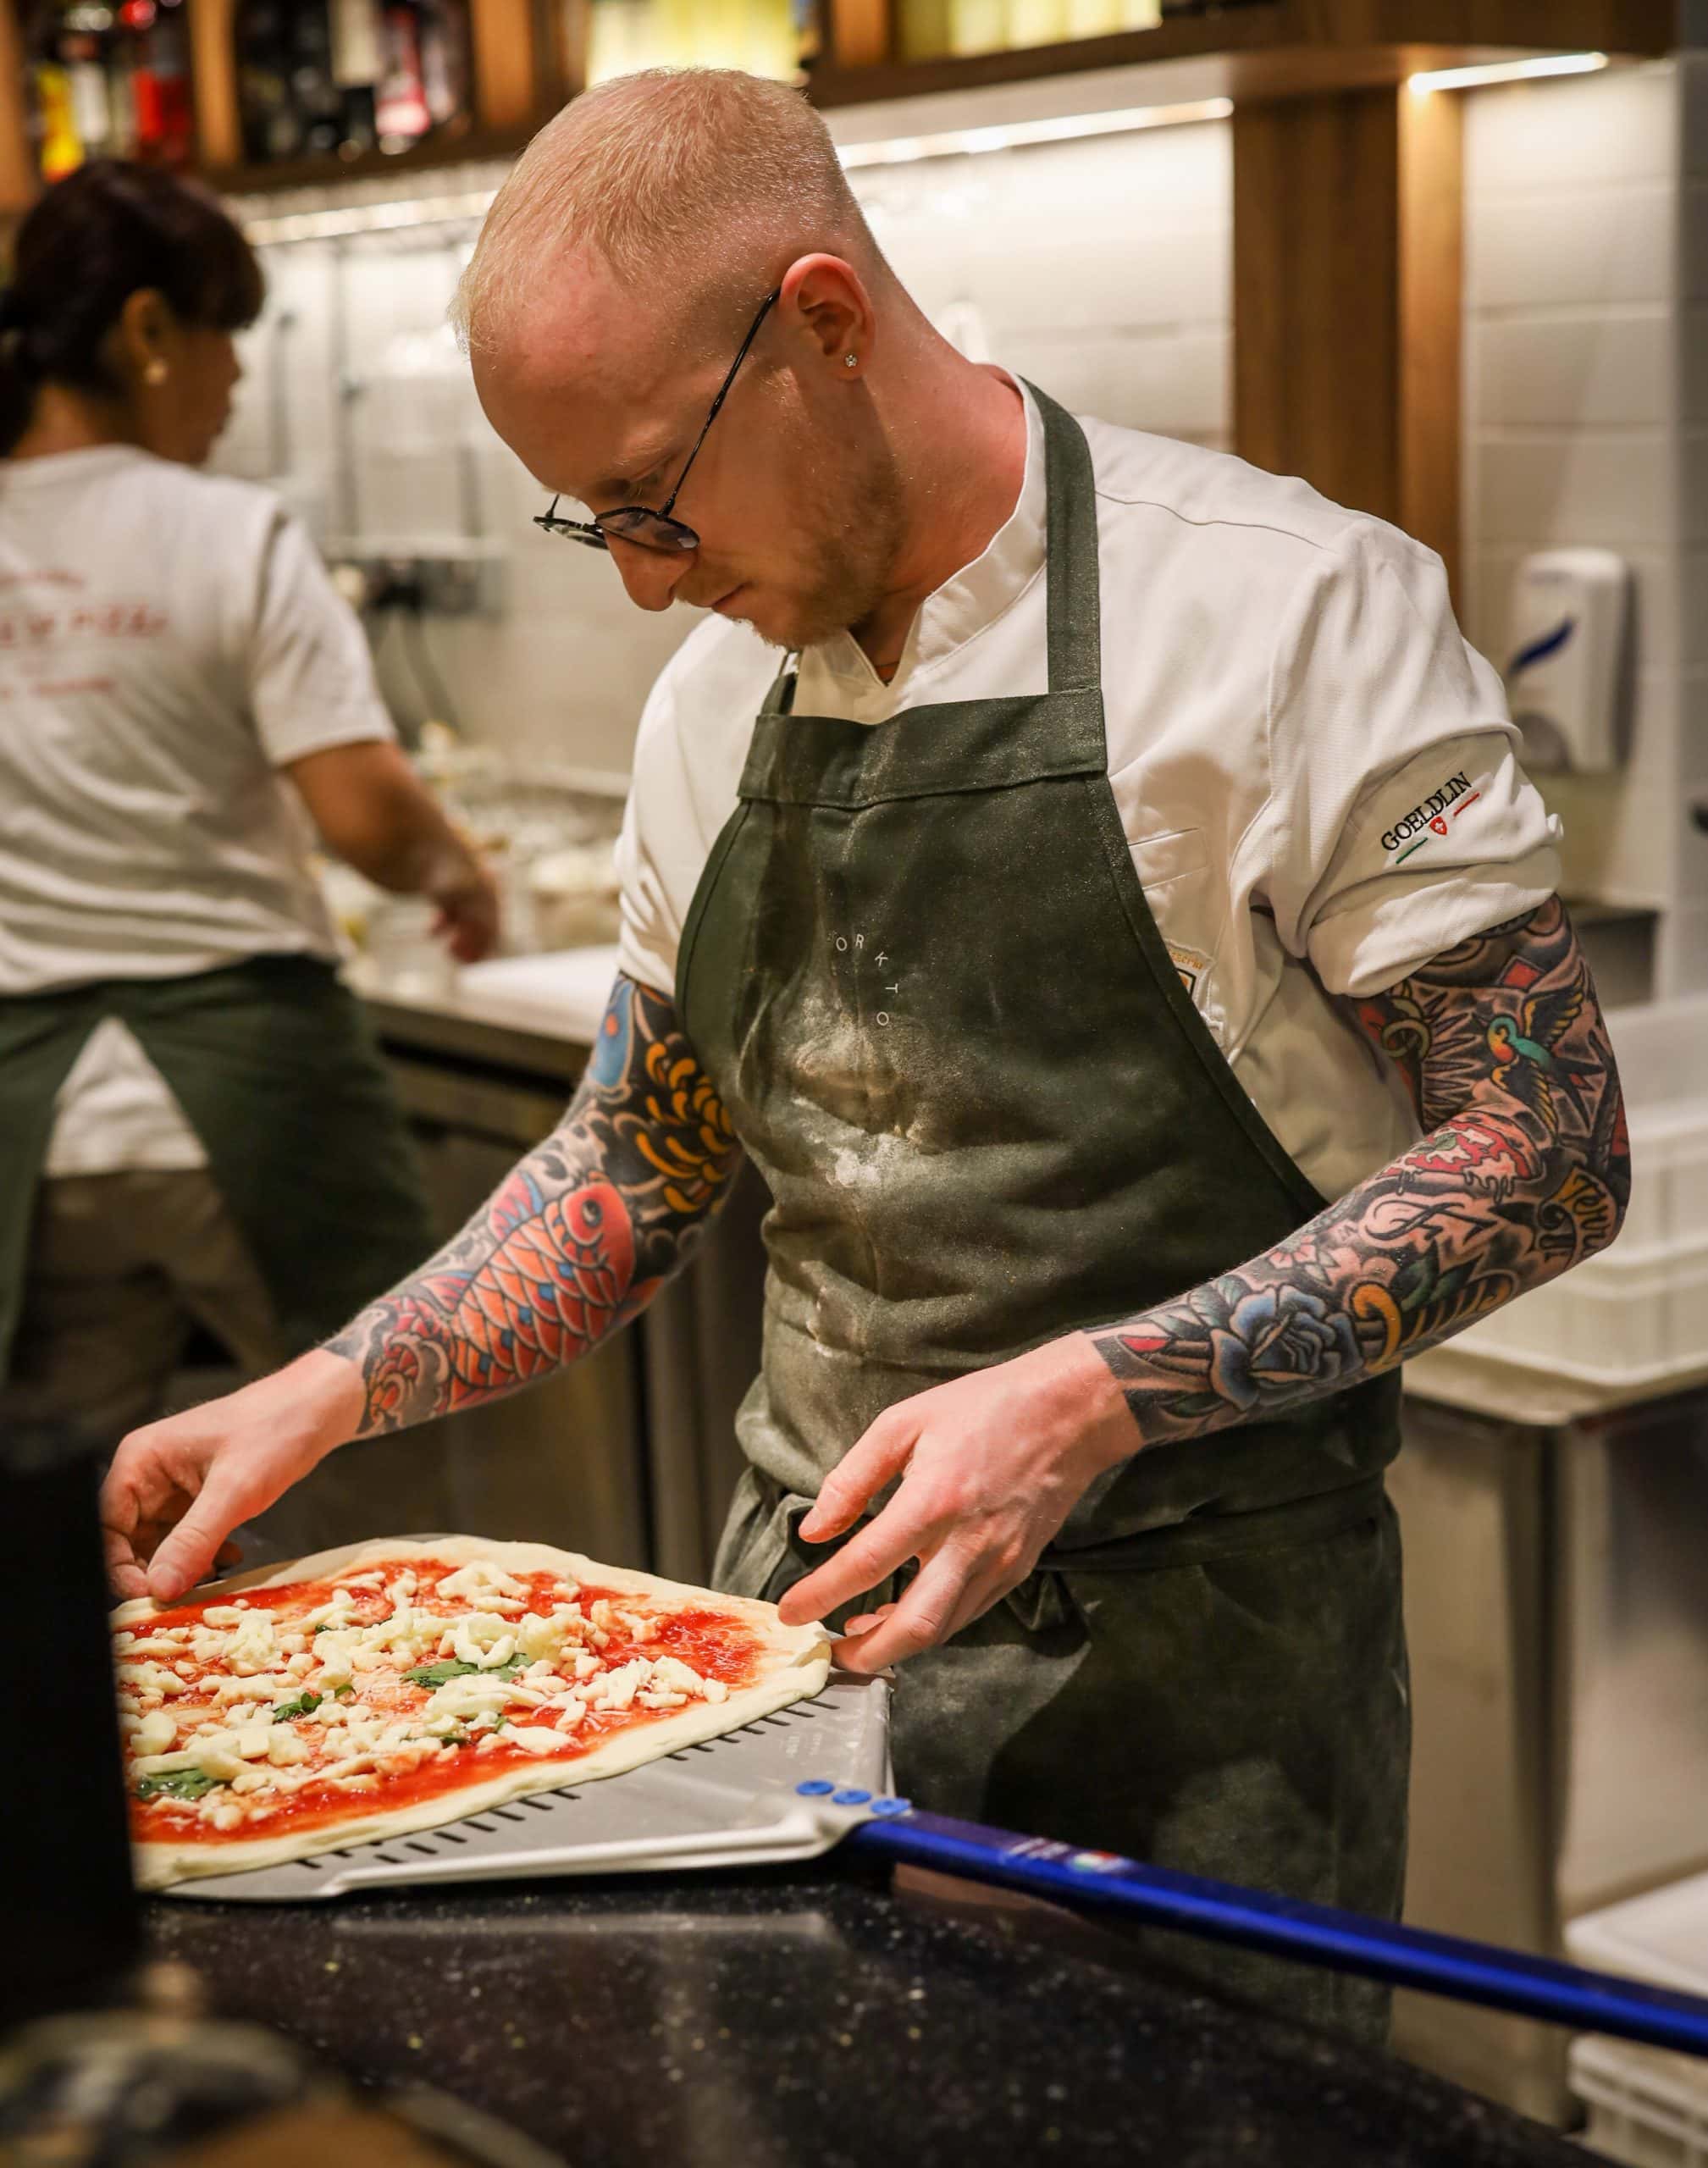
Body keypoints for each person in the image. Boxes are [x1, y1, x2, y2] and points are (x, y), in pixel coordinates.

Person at [101, 76, 1629, 2044]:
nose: (641, 575)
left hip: (1208, 1674)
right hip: (792, 1655)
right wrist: (321, 1392)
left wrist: (1085, 1398)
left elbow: (1541, 1144)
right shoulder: (706, 706)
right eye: (593, 521)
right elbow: (633, 1161)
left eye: (652, 496)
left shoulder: (1285, 614)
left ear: (821, 321)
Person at [0, 161, 499, 1457]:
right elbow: (367, 819)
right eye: (226, 336)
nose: (234, 381)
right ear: (148, 330)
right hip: (248, 1101)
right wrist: (459, 874)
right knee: (363, 1471)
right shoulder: (228, 532)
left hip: (27, 1124)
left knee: (66, 1518)